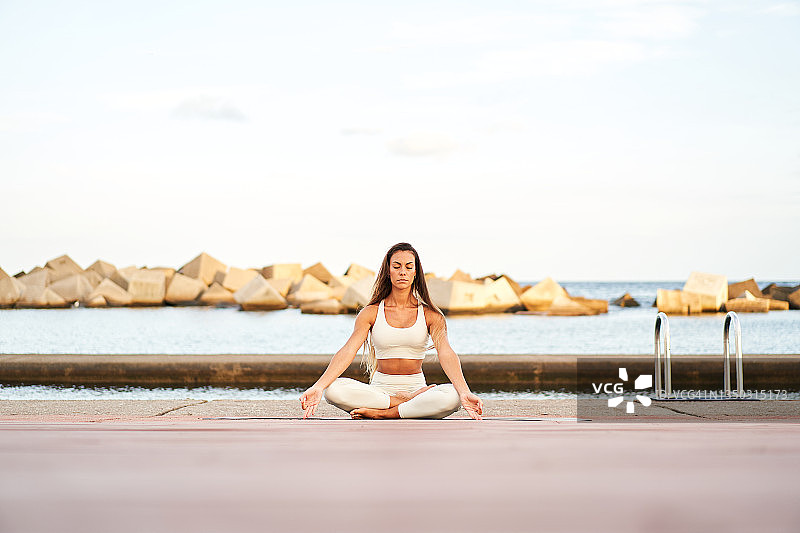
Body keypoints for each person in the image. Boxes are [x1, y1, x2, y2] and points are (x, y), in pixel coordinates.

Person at [299, 242, 484, 420]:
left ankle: (384, 413)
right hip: (379, 391)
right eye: (396, 266)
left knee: (453, 395)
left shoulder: (431, 315)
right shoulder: (370, 312)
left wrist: (465, 391)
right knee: (333, 390)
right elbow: (348, 350)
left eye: (408, 267)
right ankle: (403, 404)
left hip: (416, 387)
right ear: (388, 271)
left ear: (415, 273)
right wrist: (318, 387)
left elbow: (446, 352)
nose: (402, 271)